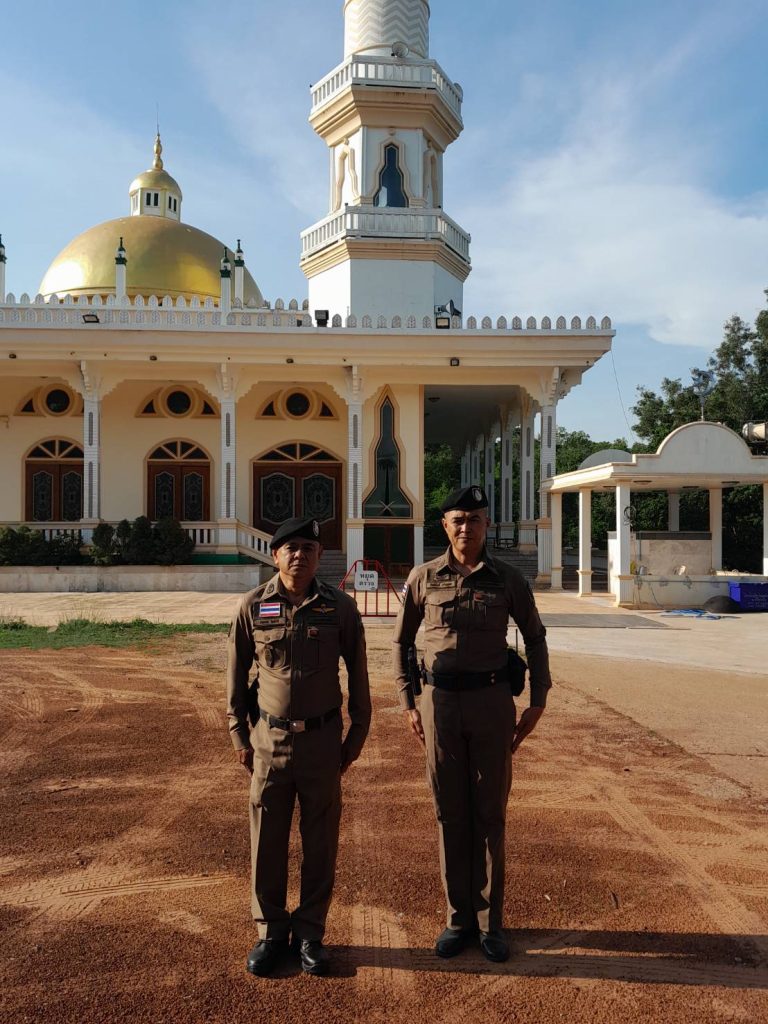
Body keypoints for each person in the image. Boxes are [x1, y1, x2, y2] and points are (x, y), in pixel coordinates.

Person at [392, 485, 551, 963]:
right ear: (444, 526)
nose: (466, 528)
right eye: (458, 520)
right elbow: (401, 642)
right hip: (439, 705)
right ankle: (457, 919)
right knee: (449, 811)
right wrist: (408, 701)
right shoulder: (423, 578)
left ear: (487, 525)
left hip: (491, 704)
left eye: (475, 519)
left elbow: (535, 637)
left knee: (490, 813)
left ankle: (488, 923)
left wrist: (538, 698)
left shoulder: (507, 579)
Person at [227, 516, 371, 977]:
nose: (299, 555)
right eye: (290, 548)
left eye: (309, 548)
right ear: (275, 555)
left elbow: (359, 675)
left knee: (320, 842)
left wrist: (356, 736)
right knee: (266, 841)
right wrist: (239, 735)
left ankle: (310, 932)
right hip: (269, 741)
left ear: (320, 555)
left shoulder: (340, 608)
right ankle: (270, 932)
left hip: (322, 743)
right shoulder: (253, 606)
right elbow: (235, 677)